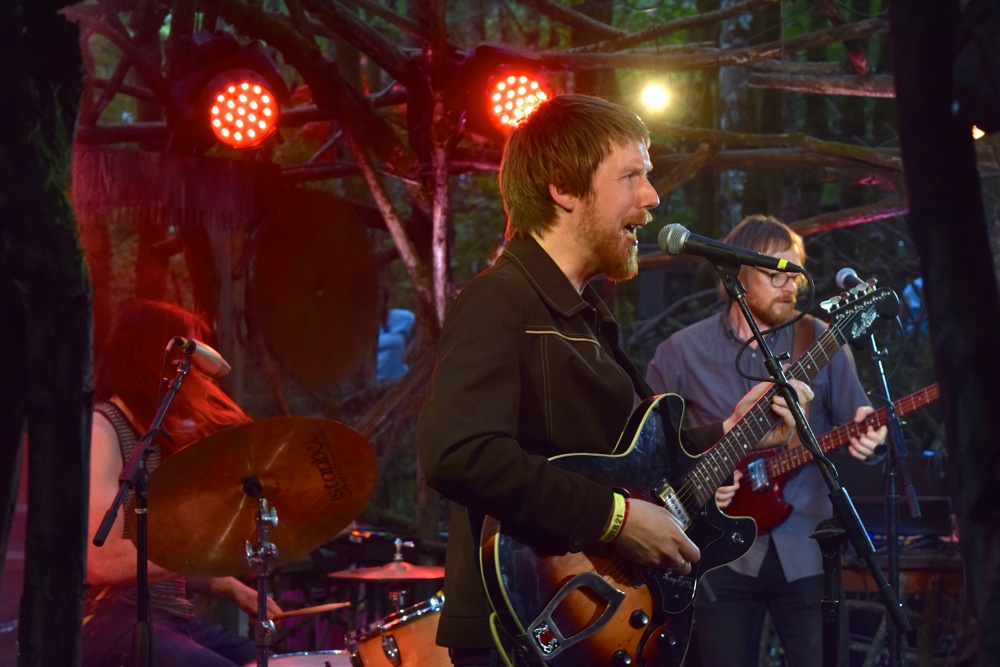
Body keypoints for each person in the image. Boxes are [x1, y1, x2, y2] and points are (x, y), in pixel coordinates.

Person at [416, 95, 813, 667]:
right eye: (631, 176)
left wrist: (733, 430)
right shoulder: (500, 299)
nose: (651, 198)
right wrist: (617, 519)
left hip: (590, 628)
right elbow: (458, 453)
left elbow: (629, 463)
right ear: (564, 188)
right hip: (525, 628)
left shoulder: (588, 317)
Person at [645, 214, 887, 667]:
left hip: (808, 545)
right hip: (716, 555)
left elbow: (861, 422)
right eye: (775, 274)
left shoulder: (818, 337)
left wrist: (871, 435)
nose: (789, 285)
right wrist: (697, 477)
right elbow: (650, 447)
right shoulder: (680, 350)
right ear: (737, 275)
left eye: (794, 273)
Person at [83, 299, 283, 667]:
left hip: (173, 619)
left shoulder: (153, 440)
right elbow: (103, 562)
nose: (200, 377)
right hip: (114, 620)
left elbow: (154, 554)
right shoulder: (103, 430)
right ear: (158, 363)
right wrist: (207, 546)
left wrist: (228, 584)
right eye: (189, 364)